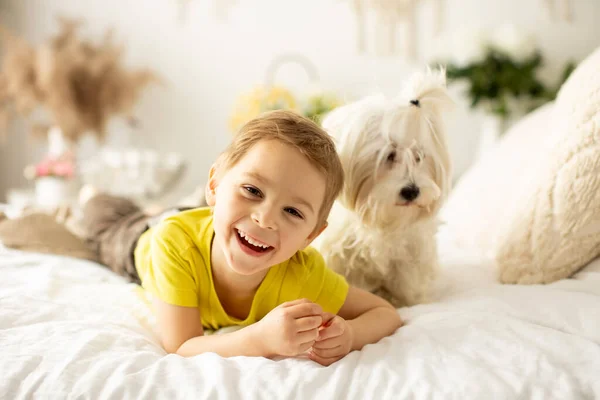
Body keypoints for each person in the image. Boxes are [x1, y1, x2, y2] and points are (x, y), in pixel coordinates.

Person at [80, 110, 402, 366]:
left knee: (178, 213)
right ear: (215, 184)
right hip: (143, 238)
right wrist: (260, 339)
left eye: (292, 212)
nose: (265, 218)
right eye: (252, 190)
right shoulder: (173, 243)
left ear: (312, 236)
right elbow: (181, 346)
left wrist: (350, 335)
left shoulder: (303, 274)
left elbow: (385, 313)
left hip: (215, 220)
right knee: (101, 220)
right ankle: (92, 197)